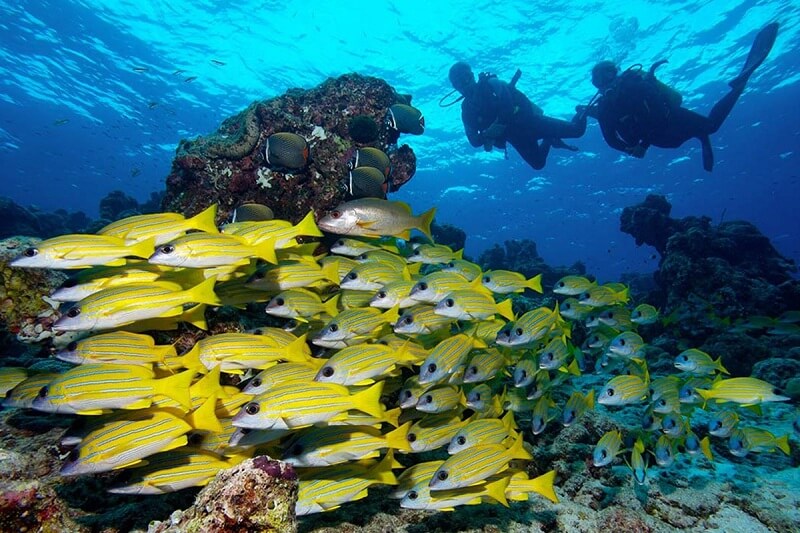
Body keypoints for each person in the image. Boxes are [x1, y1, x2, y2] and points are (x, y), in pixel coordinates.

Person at [585, 22, 779, 172]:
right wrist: (630, 149)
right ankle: (700, 135)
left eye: (608, 75)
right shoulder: (604, 109)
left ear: (616, 73)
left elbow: (660, 115)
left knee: (711, 126)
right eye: (598, 80)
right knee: (683, 139)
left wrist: (642, 145)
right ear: (595, 85)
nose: (605, 82)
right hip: (661, 140)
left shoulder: (636, 86)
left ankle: (736, 88)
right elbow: (611, 140)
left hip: (670, 120)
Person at [448, 62, 587, 170]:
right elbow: (473, 141)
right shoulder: (467, 110)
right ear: (455, 87)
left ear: (472, 76)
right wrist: (486, 135)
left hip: (531, 122)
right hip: (516, 137)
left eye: (466, 77)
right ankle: (549, 139)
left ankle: (583, 111)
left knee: (577, 130)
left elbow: (507, 105)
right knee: (538, 164)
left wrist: (495, 128)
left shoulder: (492, 84)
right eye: (458, 83)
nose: (464, 84)